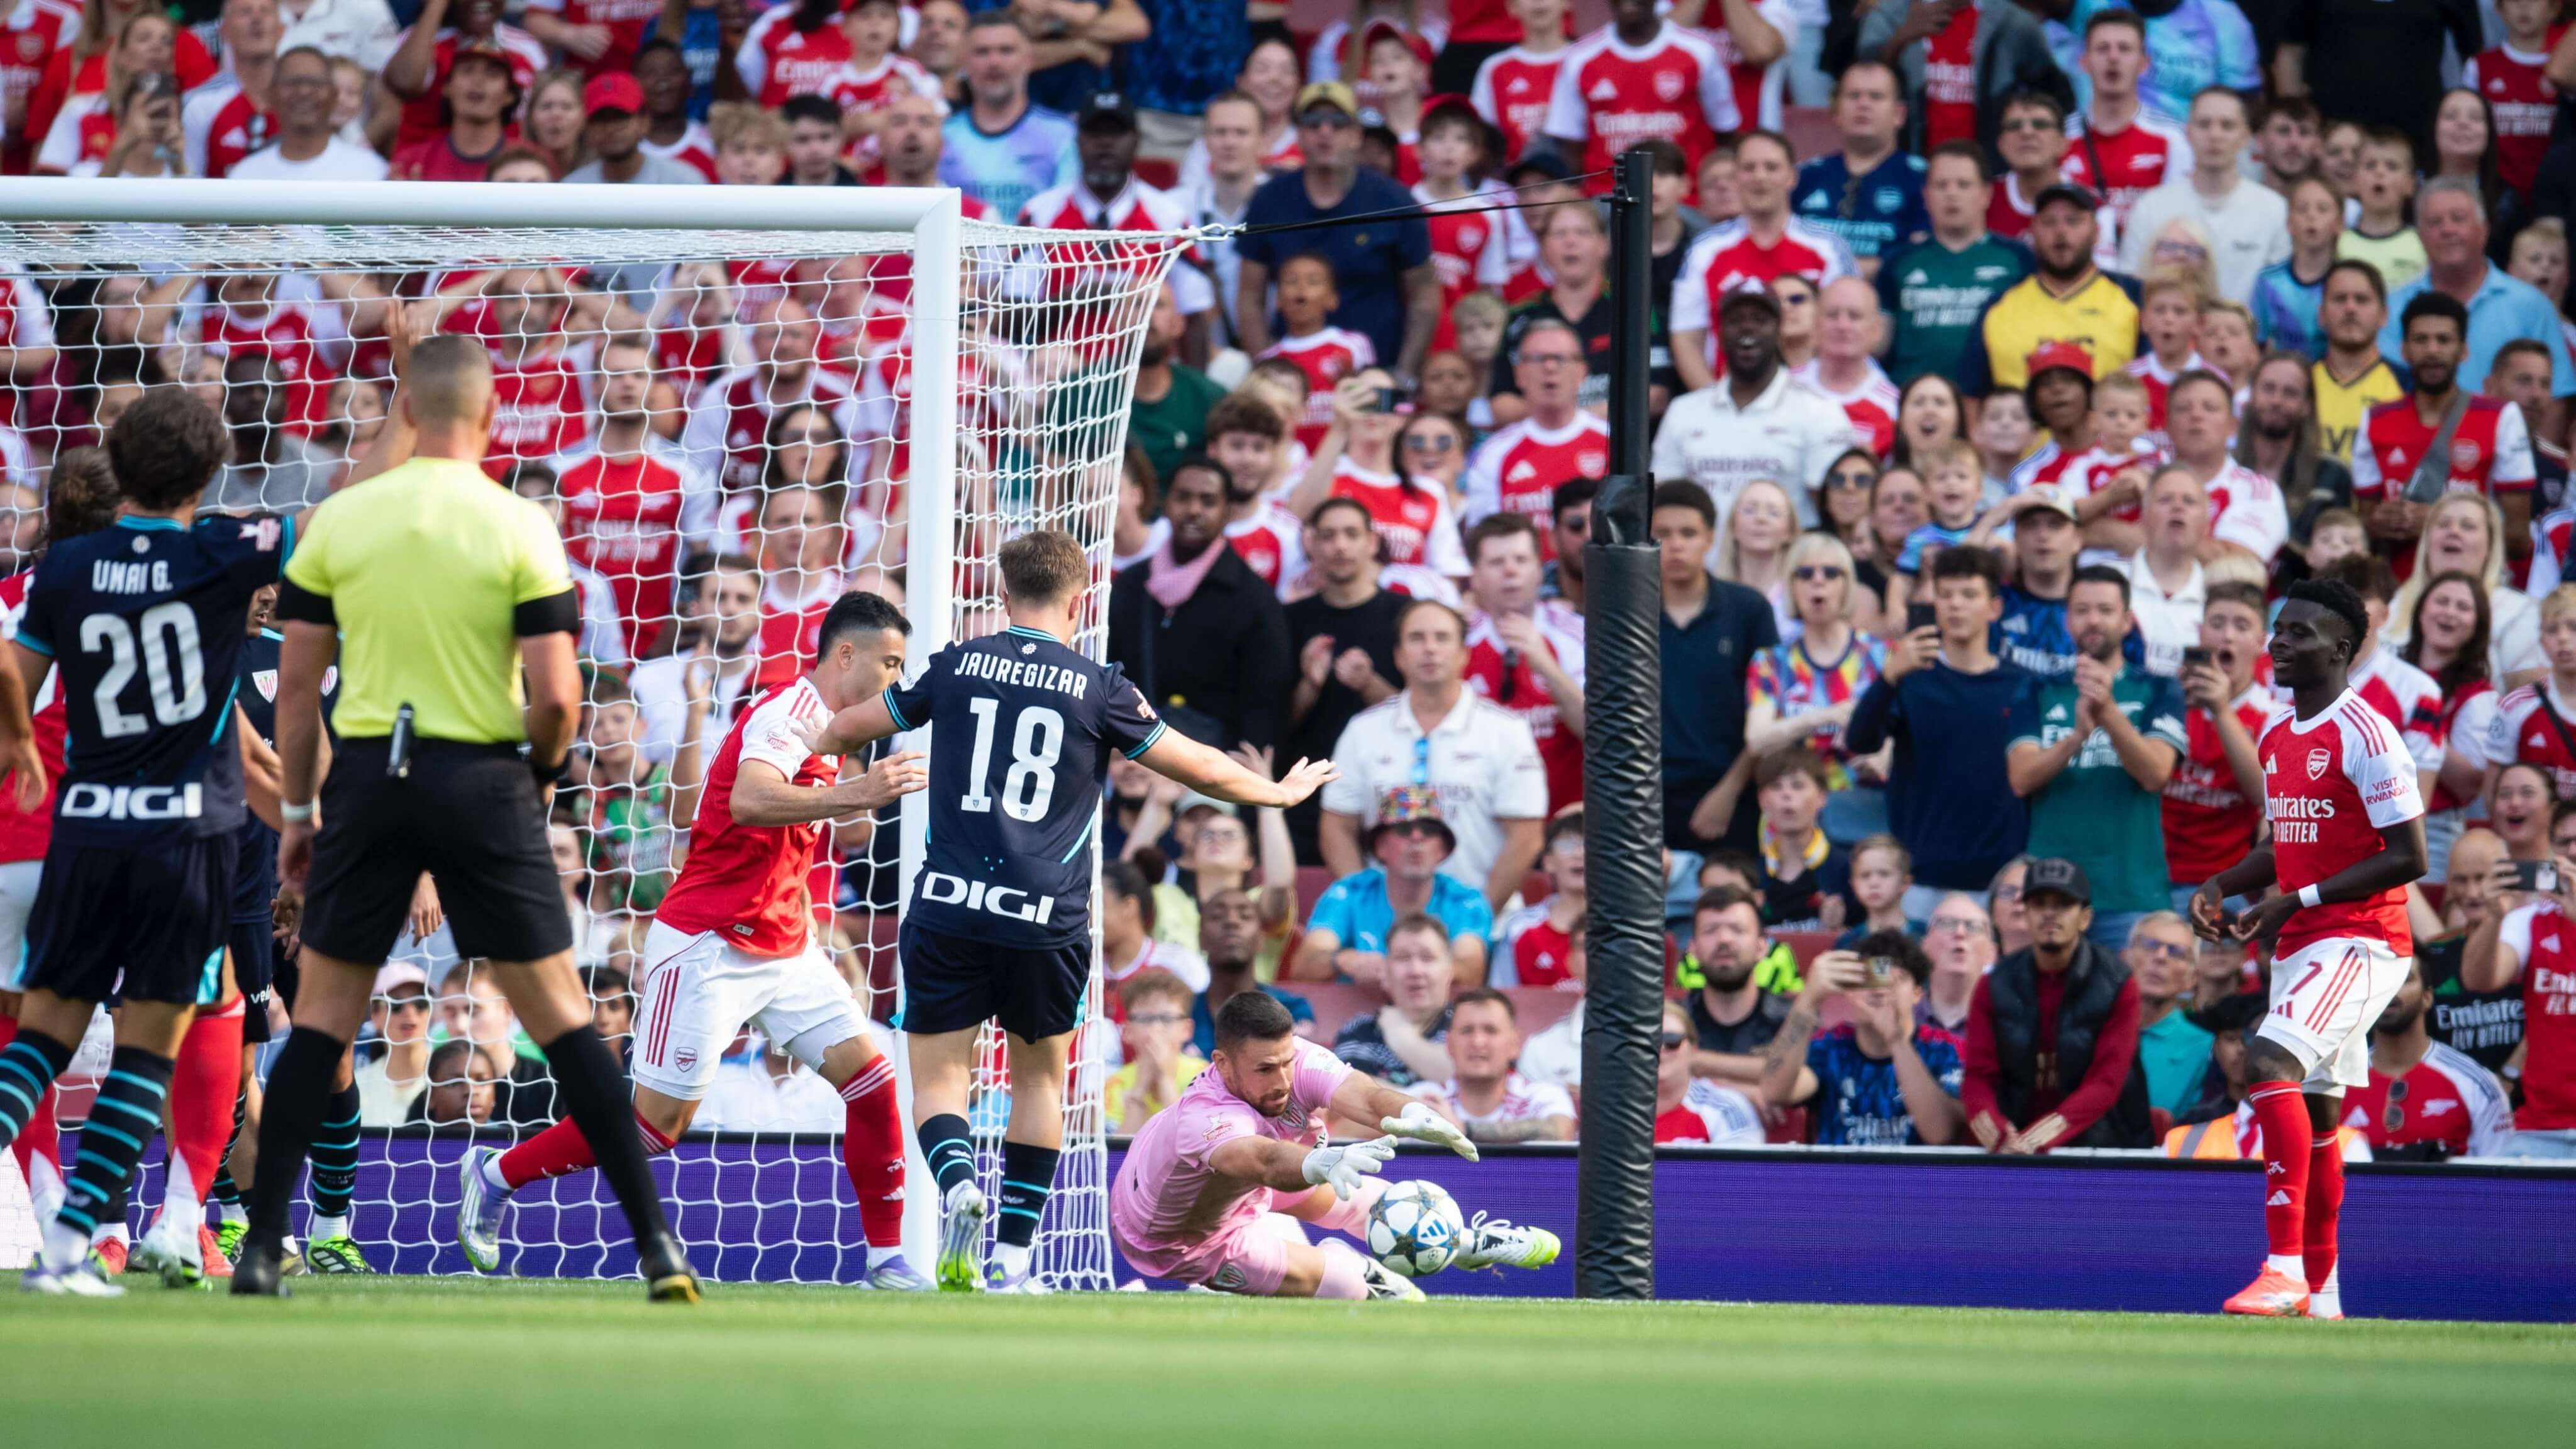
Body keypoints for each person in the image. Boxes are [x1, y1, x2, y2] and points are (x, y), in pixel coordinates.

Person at [234, 318, 693, 1299]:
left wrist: (305, 813)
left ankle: (265, 1250)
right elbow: (561, 698)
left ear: (403, 406)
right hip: (484, 777)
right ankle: (657, 1247)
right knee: (565, 1019)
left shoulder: (338, 524)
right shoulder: (520, 523)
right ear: (489, 412)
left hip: (366, 776)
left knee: (320, 1020)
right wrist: (530, 783)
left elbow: (300, 687)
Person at [799, 529, 1333, 1293]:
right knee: (1040, 1084)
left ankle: (957, 1186)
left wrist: (801, 766)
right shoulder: (1098, 685)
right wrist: (1276, 793)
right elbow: (1198, 765)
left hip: (950, 902)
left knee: (942, 1080)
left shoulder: (952, 668)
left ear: (1002, 592)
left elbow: (849, 725)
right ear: (1080, 600)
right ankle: (1013, 1262)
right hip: (1045, 915)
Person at [457, 590, 934, 1287]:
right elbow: (751, 799)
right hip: (707, 944)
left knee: (872, 1083)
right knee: (654, 1129)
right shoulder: (786, 714)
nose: (895, 679)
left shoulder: (835, 731)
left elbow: (799, 830)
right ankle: (496, 1172)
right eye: (890, 663)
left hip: (785, 948)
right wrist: (861, 796)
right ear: (846, 655)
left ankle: (886, 1260)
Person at [0, 391, 251, 1296]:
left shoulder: (52, 577)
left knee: (31, 1039)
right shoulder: (221, 556)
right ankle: (162, 1225)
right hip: (182, 833)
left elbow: (11, 675)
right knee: (170, 1034)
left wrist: (18, 743)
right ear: (207, 472)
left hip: (56, 830)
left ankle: (69, 1230)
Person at [2190, 578, 2429, 1318]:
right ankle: (2321, 1295)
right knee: (2320, 1118)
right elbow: (2287, 841)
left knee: (2266, 1060)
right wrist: (2223, 881)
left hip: (2362, 942)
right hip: (2305, 942)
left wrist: (2296, 898)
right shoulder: (2276, 734)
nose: (2278, 644)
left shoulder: (2367, 732)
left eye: (2297, 633)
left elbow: (2410, 855)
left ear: (2342, 648)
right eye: (2278, 630)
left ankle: (2283, 1267)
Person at [1109, 990, 1552, 1302]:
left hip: (1250, 1188)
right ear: (1223, 1064)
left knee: (1377, 1203)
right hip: (1182, 1237)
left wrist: (1415, 1112)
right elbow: (1256, 1159)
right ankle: (1366, 1275)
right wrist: (1321, 1159)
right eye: (1265, 1069)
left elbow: (1364, 1095)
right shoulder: (1206, 1113)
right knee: (1345, 1287)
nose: (1283, 1080)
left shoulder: (1292, 1056)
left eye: (1287, 1063)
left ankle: (1468, 1243)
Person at [1318, 599, 1545, 911]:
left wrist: (1476, 921)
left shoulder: (1507, 730)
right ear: (1398, 656)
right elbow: (1336, 828)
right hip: (1386, 934)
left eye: (1442, 638)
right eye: (1416, 638)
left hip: (1484, 928)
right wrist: (1367, 912)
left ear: (1464, 654)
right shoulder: (1362, 730)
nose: (1430, 649)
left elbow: (1526, 837)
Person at [1847, 545, 2031, 920]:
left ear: (1994, 608)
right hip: (1921, 876)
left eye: (1968, 595)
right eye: (1945, 595)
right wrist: (1888, 677)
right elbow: (1860, 741)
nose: (1956, 605)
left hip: (2000, 880)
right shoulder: (1911, 678)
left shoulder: (2022, 684)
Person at [2007, 565, 2186, 949]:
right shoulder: (2037, 688)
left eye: (2105, 610)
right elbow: (2020, 778)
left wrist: (2107, 712)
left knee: (2132, 1009)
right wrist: (2076, 738)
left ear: (2126, 621)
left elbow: (2156, 774)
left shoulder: (2158, 688)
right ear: (2067, 620)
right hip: (2052, 896)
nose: (2093, 620)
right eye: (2082, 610)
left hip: (2132, 894)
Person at [1235, 80, 1436, 385]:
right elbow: (1250, 296)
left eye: (1338, 123)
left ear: (1356, 136)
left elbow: (1424, 295)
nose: (1325, 132)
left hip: (1374, 374)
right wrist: (1267, 369)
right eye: (1313, 123)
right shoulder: (1269, 201)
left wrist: (1404, 375)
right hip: (1293, 381)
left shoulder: (1395, 200)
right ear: (1299, 135)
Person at [1960, 857, 2150, 1158]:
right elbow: (1978, 1077)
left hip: (2102, 1146)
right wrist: (1999, 1137)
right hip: (2010, 1146)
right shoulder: (1994, 984)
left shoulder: (2118, 982)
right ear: (2027, 912)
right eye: (2039, 904)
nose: (2050, 914)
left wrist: (2034, 1141)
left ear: (2085, 918)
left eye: (2063, 904)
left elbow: (2107, 1082)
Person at [1106, 457, 1292, 755]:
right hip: (1132, 760)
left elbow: (1266, 702)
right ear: (1166, 504)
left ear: (1227, 511)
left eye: (1208, 501)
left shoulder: (1253, 598)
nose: (1193, 510)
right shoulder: (1132, 584)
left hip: (1213, 771)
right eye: (1183, 497)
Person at [2355, 292, 2537, 568]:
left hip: (2471, 597)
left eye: (2444, 340)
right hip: (2393, 597)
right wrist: (2373, 526)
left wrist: (2436, 521)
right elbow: (2361, 527)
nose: (2432, 350)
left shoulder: (2501, 418)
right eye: (2421, 340)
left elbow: (2518, 539)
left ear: (2463, 350)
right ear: (2404, 350)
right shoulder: (2375, 420)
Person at [1653, 286, 1856, 531]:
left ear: (1780, 330)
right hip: (1702, 567)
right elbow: (1665, 500)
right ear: (1719, 331)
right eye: (1735, 320)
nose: (1747, 328)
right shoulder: (1683, 412)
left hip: (1786, 566)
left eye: (1760, 320)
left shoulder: (1819, 411)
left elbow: (1833, 509)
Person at [1668, 131, 1857, 396]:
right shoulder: (1704, 250)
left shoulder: (1830, 249)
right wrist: (1715, 402)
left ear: (1792, 177)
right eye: (1749, 168)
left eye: (1771, 167)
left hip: (1813, 402)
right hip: (1730, 405)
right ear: (1736, 178)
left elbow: (1850, 331)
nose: (1760, 177)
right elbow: (1686, 339)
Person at [2378, 178, 2576, 425]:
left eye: (2458, 218)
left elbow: (2556, 398)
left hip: (2507, 457)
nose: (2447, 229)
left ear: (2484, 230)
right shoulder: (2393, 307)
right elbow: (2382, 392)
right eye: (2435, 222)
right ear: (2420, 237)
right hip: (2415, 453)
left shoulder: (2531, 306)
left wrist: (2533, 461)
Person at [1651, 483, 1782, 853]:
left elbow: (1768, 710)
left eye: (1688, 533)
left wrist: (1728, 791)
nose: (1676, 545)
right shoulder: (1627, 617)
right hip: (1647, 802)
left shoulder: (1749, 610)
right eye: (1662, 534)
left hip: (1733, 799)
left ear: (1710, 537)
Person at [1282, 496, 1403, 862]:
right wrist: (1309, 687)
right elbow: (1273, 723)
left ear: (1372, 542)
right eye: (1329, 535)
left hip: (1394, 783)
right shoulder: (1287, 621)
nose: (1340, 546)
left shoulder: (1406, 617)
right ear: (1312, 545)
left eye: (1351, 534)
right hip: (1308, 790)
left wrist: (1370, 684)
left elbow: (1425, 716)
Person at [1757, 933, 1964, 1145]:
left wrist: (1896, 1041)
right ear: (1850, 992)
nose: (1881, 991)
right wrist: (1809, 1000)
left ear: (1917, 993)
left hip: (1917, 1177)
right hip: (1840, 1177)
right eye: (1870, 978)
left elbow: (1940, 1134)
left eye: (1897, 980)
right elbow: (1774, 1092)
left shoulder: (1943, 1049)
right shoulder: (1830, 1047)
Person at [1957, 184, 2143, 399]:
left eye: (2073, 221)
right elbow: (1971, 396)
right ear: (2032, 232)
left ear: (2096, 232)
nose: (2061, 232)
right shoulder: (1999, 307)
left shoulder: (2133, 298)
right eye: (2049, 222)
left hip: (2106, 433)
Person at [1295, 786, 1494, 986]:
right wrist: (1345, 961)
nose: (1417, 837)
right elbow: (1304, 965)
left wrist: (1402, 972)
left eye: (1429, 830)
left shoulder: (1465, 901)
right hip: (1356, 1014)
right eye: (1404, 829)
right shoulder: (1348, 893)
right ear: (1380, 847)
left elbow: (1471, 969)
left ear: (1443, 849)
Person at [1540, 0, 1737, 199]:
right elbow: (1569, 144)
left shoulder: (1700, 50)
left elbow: (1724, 130)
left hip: (1684, 201)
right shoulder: (1579, 57)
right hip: (1607, 200)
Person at [1879, 141, 2033, 387]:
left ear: (1986, 194)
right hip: (1913, 401)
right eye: (1941, 185)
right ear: (1926, 195)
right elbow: (1879, 343)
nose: (1952, 194)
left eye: (1963, 185)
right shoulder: (1897, 261)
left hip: (1993, 405)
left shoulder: (2019, 258)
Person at [2116, 87, 2289, 306]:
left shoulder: (2273, 210)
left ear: (2246, 137)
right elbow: (2130, 290)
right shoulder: (2151, 206)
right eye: (2204, 124)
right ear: (2188, 133)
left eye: (2227, 126)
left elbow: (2281, 301)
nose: (2215, 135)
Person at [1462, 514, 1585, 813]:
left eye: (1521, 559)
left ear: (1540, 571)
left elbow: (1600, 734)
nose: (1511, 571)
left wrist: (1544, 664)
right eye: (1496, 563)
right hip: (1483, 820)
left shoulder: (1578, 634)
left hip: (1566, 824)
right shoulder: (1456, 640)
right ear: (1475, 576)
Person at [2163, 580, 2272, 909]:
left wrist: (2221, 710)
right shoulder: (2165, 699)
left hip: (2226, 886)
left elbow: (2265, 794)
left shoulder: (2273, 715)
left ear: (2261, 642)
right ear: (2200, 633)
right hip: (2153, 877)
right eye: (2216, 624)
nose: (2227, 636)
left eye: (2241, 626)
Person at [2460, 859, 2576, 1157]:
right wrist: (2493, 918)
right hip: (2540, 1129)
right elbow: (2479, 980)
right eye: (2563, 843)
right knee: (2497, 1200)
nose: (2572, 850)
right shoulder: (2530, 919)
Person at [2345, 959, 2514, 1159]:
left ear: (2427, 997)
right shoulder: (2337, 1082)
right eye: (2379, 979)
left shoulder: (2476, 1083)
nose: (2390, 989)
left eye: (2404, 979)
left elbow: (2500, 1178)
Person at [1860, 0, 2068, 157]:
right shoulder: (1890, 16)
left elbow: (2057, 95)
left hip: (1988, 174)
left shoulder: (2013, 24)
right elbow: (1859, 83)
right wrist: (1899, 40)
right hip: (1908, 170)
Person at [1466, 317, 1611, 531]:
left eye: (1560, 358)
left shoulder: (1613, 442)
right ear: (1519, 374)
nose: (1550, 367)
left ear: (1582, 372)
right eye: (1538, 358)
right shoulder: (1494, 453)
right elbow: (1483, 536)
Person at [935, 11, 1075, 221]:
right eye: (982, 52)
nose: (995, 62)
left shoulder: (1063, 135)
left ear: (1029, 60)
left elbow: (1068, 220)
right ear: (963, 63)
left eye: (1006, 51)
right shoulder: (942, 136)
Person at [1789, 60, 1928, 273]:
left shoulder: (1923, 179)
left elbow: (1921, 258)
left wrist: (1837, 270)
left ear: (1899, 115)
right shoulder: (1803, 177)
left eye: (1876, 96)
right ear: (1836, 111)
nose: (1863, 104)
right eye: (1854, 96)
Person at [1410, 989, 1577, 1144]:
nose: (1477, 1042)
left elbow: (1561, 1132)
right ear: (1449, 1044)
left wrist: (1463, 1130)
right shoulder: (1424, 1098)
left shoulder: (1541, 1097)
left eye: (1491, 1031)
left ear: (1514, 1044)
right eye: (1467, 1031)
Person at [1679, 886, 1797, 1087]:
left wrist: (1697, 1063)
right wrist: (1744, 1092)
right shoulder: (1672, 1021)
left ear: (1762, 948)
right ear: (1693, 950)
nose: (1724, 940)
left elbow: (1802, 1075)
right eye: (1711, 931)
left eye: (1737, 929)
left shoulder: (1791, 1019)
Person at [228, 43, 384, 180]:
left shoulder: (371, 172)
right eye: (292, 82)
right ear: (271, 94)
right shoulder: (245, 176)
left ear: (333, 95)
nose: (304, 91)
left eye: (315, 82)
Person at [2312, 260, 2404, 469]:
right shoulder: (2299, 383)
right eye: (2339, 299)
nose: (2350, 308)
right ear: (2321, 315)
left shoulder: (2408, 385)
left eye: (2362, 300)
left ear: (2384, 316)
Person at [2126, 911, 2213, 1117]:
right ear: (2125, 957)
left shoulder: (2206, 1049)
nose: (2160, 956)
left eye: (2177, 952)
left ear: (2192, 979)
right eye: (2149, 945)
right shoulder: (2091, 1029)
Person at [1653, 998, 1766, 1143]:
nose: (1660, 1049)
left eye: (1672, 1041)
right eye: (1650, 1041)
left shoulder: (1726, 1110)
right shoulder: (1614, 1107)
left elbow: (1741, 1166)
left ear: (1693, 1050)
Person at [1491, 810, 1584, 988]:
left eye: (1589, 844)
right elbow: (1503, 994)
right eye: (1567, 845)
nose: (1579, 853)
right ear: (1548, 862)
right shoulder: (1519, 929)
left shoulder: (1621, 926)